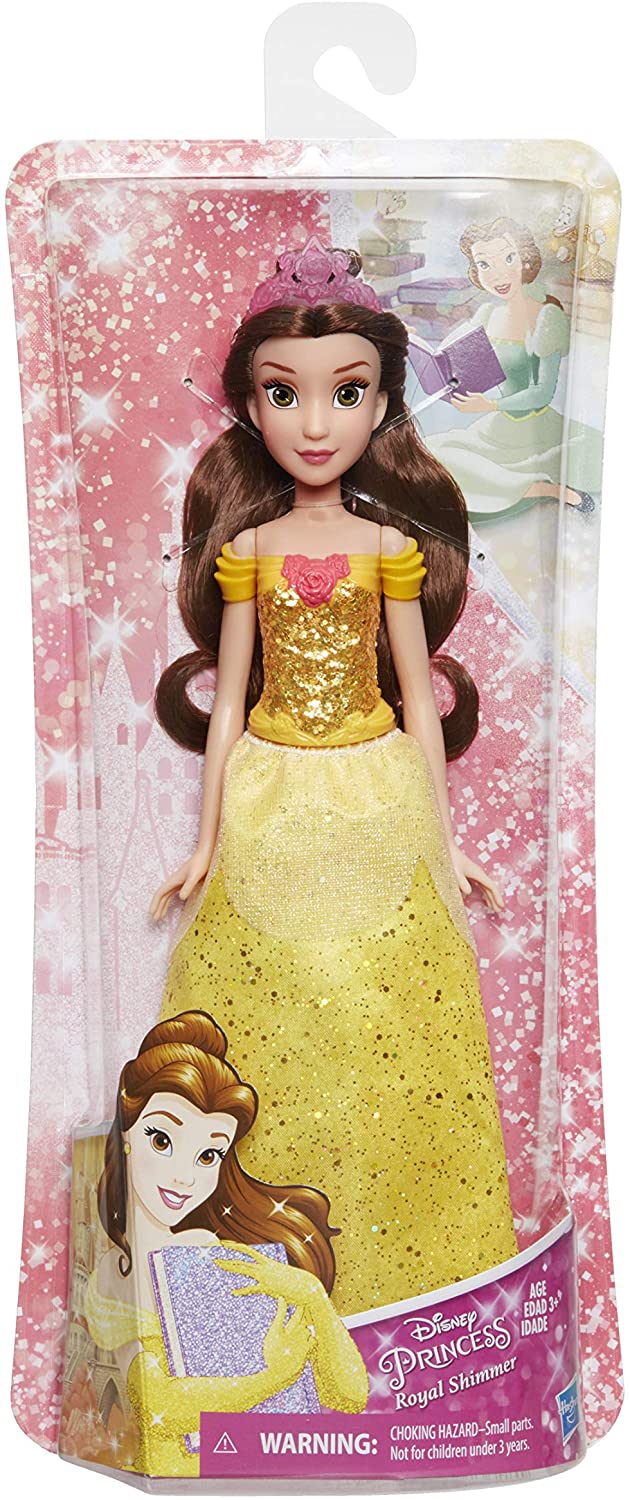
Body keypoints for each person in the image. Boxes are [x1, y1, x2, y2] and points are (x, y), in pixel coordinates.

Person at [150, 236, 518, 1317]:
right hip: (270, 794)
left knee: (391, 1011)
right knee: (262, 1011)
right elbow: (227, 706)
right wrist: (205, 843)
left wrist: (447, 843)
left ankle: (409, 1279)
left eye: (345, 393)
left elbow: (417, 699)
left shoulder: (386, 549)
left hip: (376, 793)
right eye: (285, 393)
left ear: (382, 405)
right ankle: (247, 1281)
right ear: (250, 406)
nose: (315, 424)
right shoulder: (250, 550)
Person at [71, 1010, 367, 1477]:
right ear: (126, 1130)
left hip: (265, 1467)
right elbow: (156, 1403)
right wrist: (273, 1377)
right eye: (162, 1140)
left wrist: (312, 1296)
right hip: (176, 1476)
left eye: (208, 1155)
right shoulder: (114, 1272)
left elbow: (349, 1396)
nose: (185, 1178)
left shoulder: (219, 1258)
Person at [424, 216, 602, 523]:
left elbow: (542, 393)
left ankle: (548, 489)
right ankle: (531, 488)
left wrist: (490, 404)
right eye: (484, 264)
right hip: (497, 427)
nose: (498, 275)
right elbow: (460, 366)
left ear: (525, 260)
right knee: (429, 451)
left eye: (508, 259)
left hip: (535, 430)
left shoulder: (547, 317)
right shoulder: (487, 314)